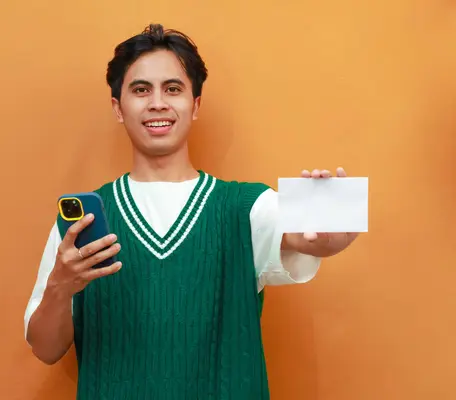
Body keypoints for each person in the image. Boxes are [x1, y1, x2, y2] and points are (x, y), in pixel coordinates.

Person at [23, 23, 359, 399]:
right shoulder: (81, 226)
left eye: (173, 89)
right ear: (118, 108)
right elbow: (45, 349)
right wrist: (60, 287)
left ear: (195, 105)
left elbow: (309, 236)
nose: (157, 103)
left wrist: (331, 236)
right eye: (140, 90)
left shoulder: (246, 206)